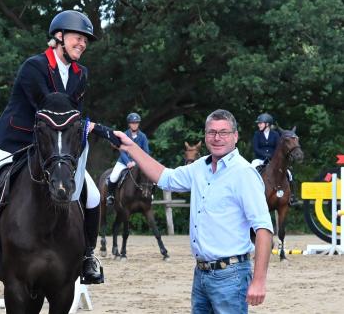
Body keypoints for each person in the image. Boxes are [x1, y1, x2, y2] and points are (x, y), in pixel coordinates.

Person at [0, 10, 113, 285]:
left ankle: (88, 257)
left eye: (86, 41)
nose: (83, 44)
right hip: (16, 141)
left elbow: (74, 115)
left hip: (55, 148)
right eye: (78, 38)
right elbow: (49, 106)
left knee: (93, 197)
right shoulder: (34, 66)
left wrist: (95, 128)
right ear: (59, 37)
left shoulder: (80, 74)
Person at [114, 109, 273, 313]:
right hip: (201, 273)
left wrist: (259, 281)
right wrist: (131, 148)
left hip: (231, 275)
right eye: (211, 132)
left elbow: (263, 229)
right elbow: (165, 177)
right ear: (205, 136)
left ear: (235, 136)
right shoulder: (200, 167)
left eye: (223, 132)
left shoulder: (244, 173)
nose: (217, 138)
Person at [251, 113, 297, 205]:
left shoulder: (275, 134)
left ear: (267, 124)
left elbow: (278, 147)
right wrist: (265, 154)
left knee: (289, 173)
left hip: (273, 160)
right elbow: (256, 148)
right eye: (259, 123)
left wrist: (273, 156)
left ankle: (292, 196)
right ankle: (251, 194)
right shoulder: (257, 134)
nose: (258, 125)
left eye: (260, 123)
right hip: (260, 159)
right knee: (251, 169)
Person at [105, 112, 150, 206]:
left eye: (136, 123)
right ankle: (110, 196)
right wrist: (128, 162)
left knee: (149, 177)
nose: (135, 124)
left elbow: (146, 152)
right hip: (123, 161)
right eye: (133, 123)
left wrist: (137, 161)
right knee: (113, 176)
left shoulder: (143, 137)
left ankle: (150, 194)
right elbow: (122, 151)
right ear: (129, 124)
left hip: (138, 162)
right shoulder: (124, 135)